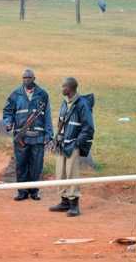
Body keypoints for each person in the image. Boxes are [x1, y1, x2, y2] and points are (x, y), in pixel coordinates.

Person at [3, 68, 53, 201]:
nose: (26, 80)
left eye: (29, 78)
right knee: (21, 164)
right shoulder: (15, 95)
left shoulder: (43, 94)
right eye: (24, 78)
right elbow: (8, 111)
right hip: (21, 137)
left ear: (34, 79)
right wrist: (8, 123)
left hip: (38, 136)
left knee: (36, 165)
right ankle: (22, 191)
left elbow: (47, 115)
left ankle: (34, 191)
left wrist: (48, 135)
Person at [49, 77, 95, 217]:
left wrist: (77, 143)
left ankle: (74, 205)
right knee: (60, 173)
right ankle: (64, 202)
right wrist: (56, 139)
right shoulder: (65, 103)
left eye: (64, 86)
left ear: (71, 88)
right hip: (62, 144)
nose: (62, 88)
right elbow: (61, 124)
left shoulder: (82, 105)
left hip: (73, 145)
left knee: (72, 174)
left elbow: (88, 128)